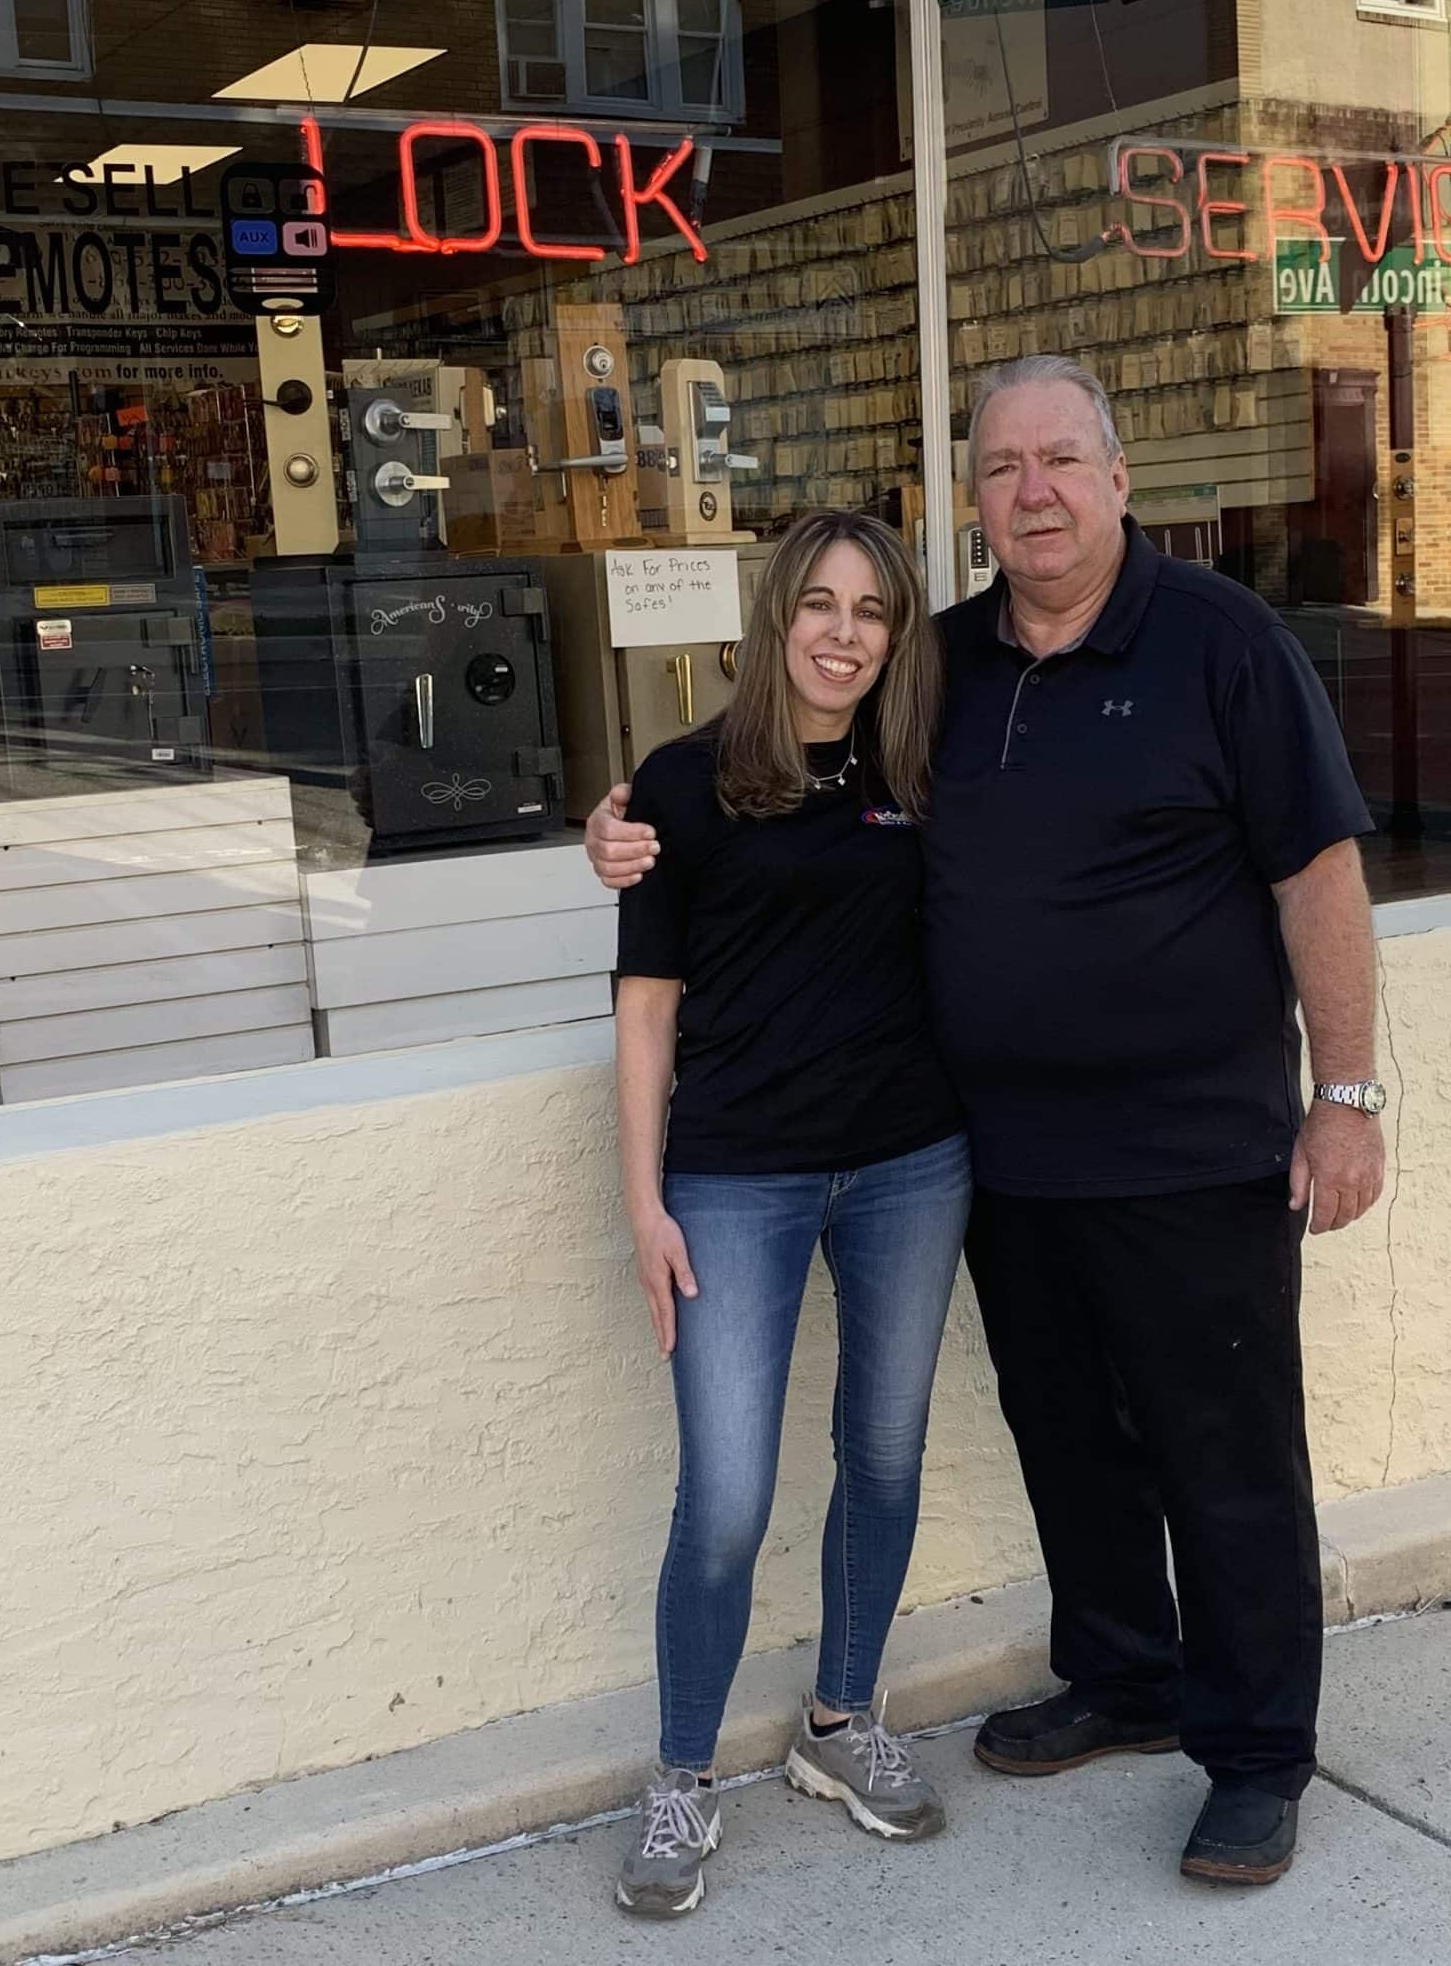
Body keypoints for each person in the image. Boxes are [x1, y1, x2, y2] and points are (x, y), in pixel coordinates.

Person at [589, 357, 1386, 1890]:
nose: (1034, 491)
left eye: (1062, 460)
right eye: (1004, 467)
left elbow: (1319, 878)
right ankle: (1122, 1672)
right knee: (1068, 1433)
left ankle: (1256, 1753)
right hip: (1001, 1160)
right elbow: (763, 773)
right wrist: (620, 822)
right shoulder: (934, 667)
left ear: (1118, 476)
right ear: (973, 499)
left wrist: (1343, 1098)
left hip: (1195, 1149)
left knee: (1224, 1453)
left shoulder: (1222, 644)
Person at [608, 509, 972, 1919]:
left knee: (882, 1454)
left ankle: (836, 1725)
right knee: (728, 1496)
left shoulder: (922, 771)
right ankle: (684, 1780)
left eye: (872, 611)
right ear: (774, 620)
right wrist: (641, 1201)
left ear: (897, 636)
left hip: (909, 1162)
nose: (842, 633)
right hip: (735, 1177)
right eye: (818, 604)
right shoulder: (683, 783)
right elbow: (646, 1013)